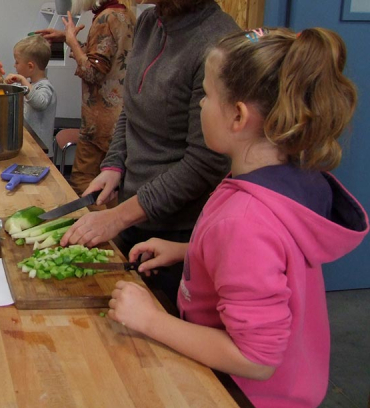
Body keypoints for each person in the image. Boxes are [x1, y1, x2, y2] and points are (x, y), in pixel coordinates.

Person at [107, 27, 368, 408]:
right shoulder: (287, 181)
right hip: (291, 383)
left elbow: (256, 359)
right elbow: (270, 262)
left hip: (245, 394)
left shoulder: (244, 221)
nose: (200, 107)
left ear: (238, 116)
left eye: (207, 97)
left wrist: (151, 320)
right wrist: (190, 251)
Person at [61, 0, 240, 300]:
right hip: (134, 212)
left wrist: (119, 216)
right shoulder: (148, 22)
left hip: (178, 232)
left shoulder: (217, 44)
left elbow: (206, 162)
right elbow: (131, 106)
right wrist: (114, 164)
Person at [35, 0, 134, 193]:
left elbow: (93, 72)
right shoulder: (124, 14)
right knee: (108, 188)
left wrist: (71, 42)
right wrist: (67, 38)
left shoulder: (104, 19)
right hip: (121, 119)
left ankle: (94, 228)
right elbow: (107, 58)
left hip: (100, 122)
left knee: (83, 184)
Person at [4, 35, 57, 155]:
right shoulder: (31, 85)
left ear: (30, 66)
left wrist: (23, 81)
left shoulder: (45, 86)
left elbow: (39, 103)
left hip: (41, 152)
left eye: (17, 62)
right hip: (30, 148)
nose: (14, 65)